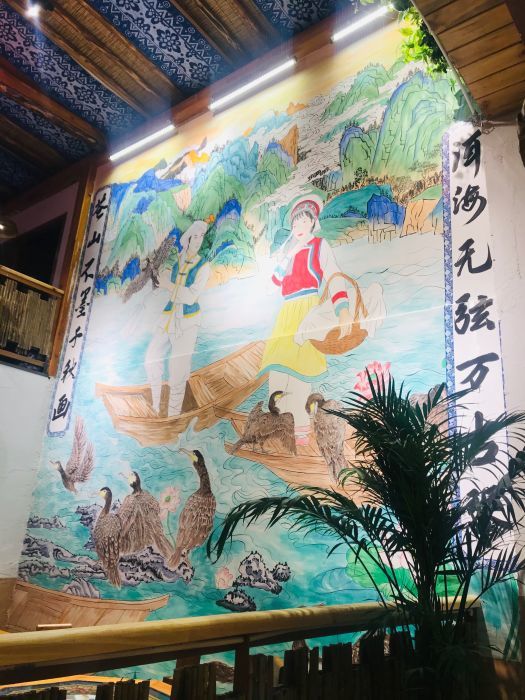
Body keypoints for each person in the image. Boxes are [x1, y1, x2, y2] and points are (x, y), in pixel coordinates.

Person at [259, 195, 353, 446]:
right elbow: (272, 285)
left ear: (313, 222)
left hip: (307, 311)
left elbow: (334, 276)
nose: (299, 227)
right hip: (286, 314)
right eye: (295, 223)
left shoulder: (320, 246)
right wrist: (286, 256)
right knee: (277, 370)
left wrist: (342, 308)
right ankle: (278, 427)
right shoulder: (289, 253)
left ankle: (300, 429)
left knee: (301, 373)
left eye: (304, 221)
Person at [145, 219, 210, 417]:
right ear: (187, 239)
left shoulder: (204, 266)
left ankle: (173, 416)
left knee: (178, 372)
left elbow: (191, 296)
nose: (198, 240)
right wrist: (160, 280)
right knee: (151, 358)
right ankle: (156, 406)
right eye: (195, 236)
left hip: (188, 321)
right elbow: (163, 281)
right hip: (169, 317)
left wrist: (168, 285)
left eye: (201, 237)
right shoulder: (177, 261)